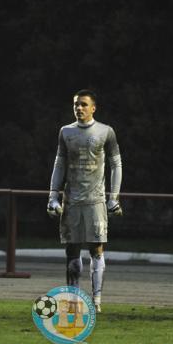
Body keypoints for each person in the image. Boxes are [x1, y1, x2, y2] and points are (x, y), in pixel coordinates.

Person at [47, 89, 122, 312]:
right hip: (71, 200)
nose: (79, 108)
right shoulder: (66, 131)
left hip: (95, 201)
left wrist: (113, 198)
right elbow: (59, 164)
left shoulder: (106, 131)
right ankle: (73, 301)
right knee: (72, 251)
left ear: (93, 108)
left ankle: (96, 301)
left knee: (97, 250)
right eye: (76, 104)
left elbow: (116, 164)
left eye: (83, 104)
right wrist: (53, 196)